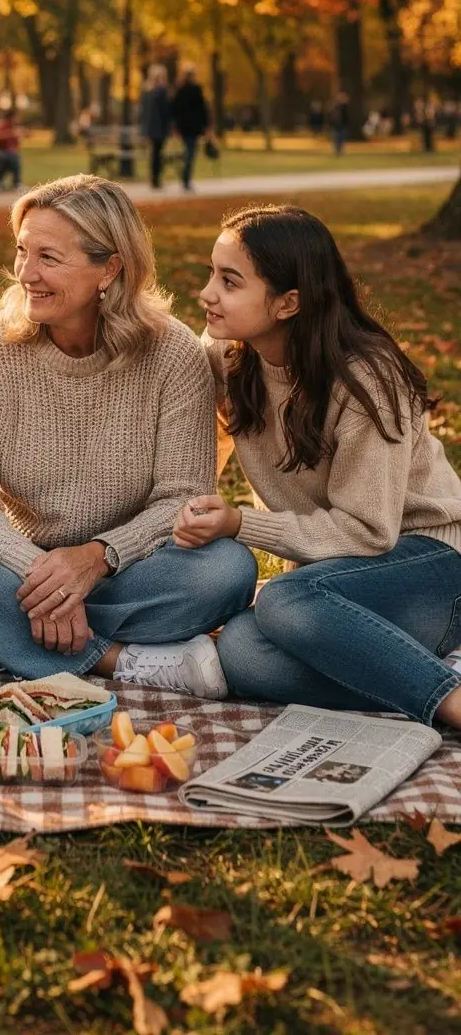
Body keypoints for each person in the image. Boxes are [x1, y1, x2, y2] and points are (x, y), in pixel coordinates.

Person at [0, 174, 256, 694]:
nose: (26, 273)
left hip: (129, 568)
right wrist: (47, 577)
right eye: (22, 251)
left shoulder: (173, 355)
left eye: (48, 257)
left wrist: (96, 558)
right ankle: (117, 660)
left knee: (227, 570)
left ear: (110, 268)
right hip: (14, 566)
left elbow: (182, 498)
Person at [173, 203, 461, 729]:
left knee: (283, 599)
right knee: (241, 650)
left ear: (288, 303)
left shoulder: (366, 380)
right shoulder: (231, 357)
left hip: (431, 563)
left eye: (230, 282)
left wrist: (240, 523)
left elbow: (368, 532)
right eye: (211, 274)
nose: (207, 294)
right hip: (336, 586)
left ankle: (449, 700)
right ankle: (407, 669)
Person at [171, 64, 210, 191]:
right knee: (190, 152)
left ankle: (185, 176)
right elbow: (202, 109)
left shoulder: (180, 90)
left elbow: (174, 110)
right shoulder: (196, 89)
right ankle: (186, 178)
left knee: (188, 150)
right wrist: (205, 126)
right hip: (193, 128)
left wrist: (176, 126)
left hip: (184, 128)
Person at [0, 108, 22, 190]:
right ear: (10, 117)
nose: (16, 120)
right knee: (13, 158)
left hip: (9, 152)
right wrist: (11, 134)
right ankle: (16, 182)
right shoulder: (0, 125)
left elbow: (15, 143)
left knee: (14, 157)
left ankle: (14, 182)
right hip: (0, 150)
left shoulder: (13, 127)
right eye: (15, 117)